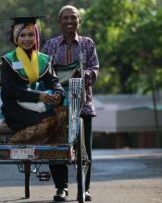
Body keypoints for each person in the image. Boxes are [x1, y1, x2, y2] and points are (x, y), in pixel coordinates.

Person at [42, 5, 99, 202]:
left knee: (85, 149)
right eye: (65, 18)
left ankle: (85, 187)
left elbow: (95, 68)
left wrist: (82, 76)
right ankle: (61, 188)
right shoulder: (49, 45)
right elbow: (44, 73)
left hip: (83, 104)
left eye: (73, 18)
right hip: (56, 104)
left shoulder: (87, 44)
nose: (69, 21)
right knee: (55, 145)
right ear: (59, 22)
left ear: (79, 21)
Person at [1, 16, 66, 145]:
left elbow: (53, 82)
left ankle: (55, 158)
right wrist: (38, 95)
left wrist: (58, 93)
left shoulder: (43, 59)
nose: (27, 39)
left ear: (35, 36)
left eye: (31, 35)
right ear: (16, 38)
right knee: (53, 120)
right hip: (15, 109)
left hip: (40, 106)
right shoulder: (9, 60)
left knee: (65, 113)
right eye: (22, 35)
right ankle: (14, 142)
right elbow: (11, 89)